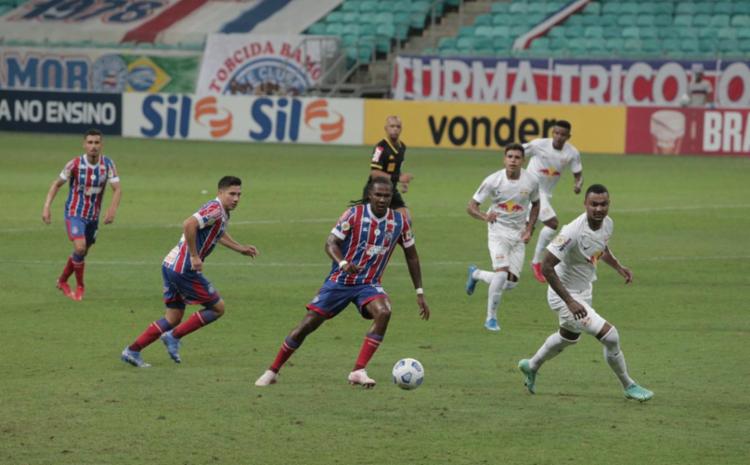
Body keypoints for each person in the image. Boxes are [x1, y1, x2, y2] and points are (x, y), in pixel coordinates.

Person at [255, 177, 430, 388]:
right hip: (340, 281)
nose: (383, 199)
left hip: (368, 284)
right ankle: (272, 370)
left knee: (384, 311)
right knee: (306, 326)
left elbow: (412, 255)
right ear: (370, 196)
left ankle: (358, 370)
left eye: (387, 195)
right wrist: (344, 262)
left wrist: (419, 292)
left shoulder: (399, 222)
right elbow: (330, 243)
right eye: (378, 195)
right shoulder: (354, 214)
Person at [517, 184, 653, 402]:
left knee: (568, 337)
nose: (599, 209)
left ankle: (531, 366)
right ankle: (629, 385)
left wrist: (619, 267)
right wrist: (570, 302)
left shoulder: (608, 224)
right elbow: (546, 267)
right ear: (585, 205)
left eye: (603, 204)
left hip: (583, 292)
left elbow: (601, 248)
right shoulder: (572, 232)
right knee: (611, 336)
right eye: (594, 204)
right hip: (563, 295)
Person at [121, 176, 258, 368]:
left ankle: (132, 351)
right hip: (184, 269)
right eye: (232, 194)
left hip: (170, 265)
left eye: (239, 195)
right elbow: (188, 224)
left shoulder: (221, 213)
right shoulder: (215, 209)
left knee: (173, 317)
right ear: (220, 193)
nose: (236, 198)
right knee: (218, 308)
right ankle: (173, 337)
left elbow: (217, 233)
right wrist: (194, 256)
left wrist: (240, 248)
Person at [465, 143, 540, 332]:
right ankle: (491, 318)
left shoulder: (531, 181)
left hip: (518, 234)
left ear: (523, 160)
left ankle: (476, 274)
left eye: (517, 157)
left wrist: (530, 229)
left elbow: (536, 205)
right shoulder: (493, 180)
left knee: (510, 283)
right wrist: (484, 216)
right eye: (510, 157)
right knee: (501, 273)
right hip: (497, 231)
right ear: (504, 159)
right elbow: (471, 206)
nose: (513, 160)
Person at [42, 128, 122, 301]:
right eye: (90, 142)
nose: (93, 146)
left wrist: (112, 209)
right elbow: (57, 184)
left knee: (82, 253)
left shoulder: (108, 164)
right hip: (74, 213)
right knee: (79, 247)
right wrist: (47, 206)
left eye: (97, 143)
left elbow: (117, 189)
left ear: (101, 144)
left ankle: (62, 281)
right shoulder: (75, 164)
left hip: (93, 217)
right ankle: (80, 286)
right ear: (84, 144)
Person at [523, 120, 583, 284]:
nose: (558, 137)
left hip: (545, 194)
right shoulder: (539, 145)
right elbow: (517, 151)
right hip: (532, 190)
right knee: (552, 223)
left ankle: (503, 264)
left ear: (568, 136)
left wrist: (578, 185)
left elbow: (578, 174)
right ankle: (537, 262)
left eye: (562, 134)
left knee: (523, 230)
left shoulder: (572, 153)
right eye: (556, 133)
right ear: (552, 133)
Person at [356, 115, 413, 222]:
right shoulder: (380, 147)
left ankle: (397, 239)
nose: (395, 129)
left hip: (391, 190)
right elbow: (374, 173)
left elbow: (397, 169)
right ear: (386, 128)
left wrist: (403, 182)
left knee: (405, 219)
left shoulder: (402, 147)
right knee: (371, 224)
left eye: (398, 126)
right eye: (392, 126)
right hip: (375, 191)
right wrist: (398, 178)